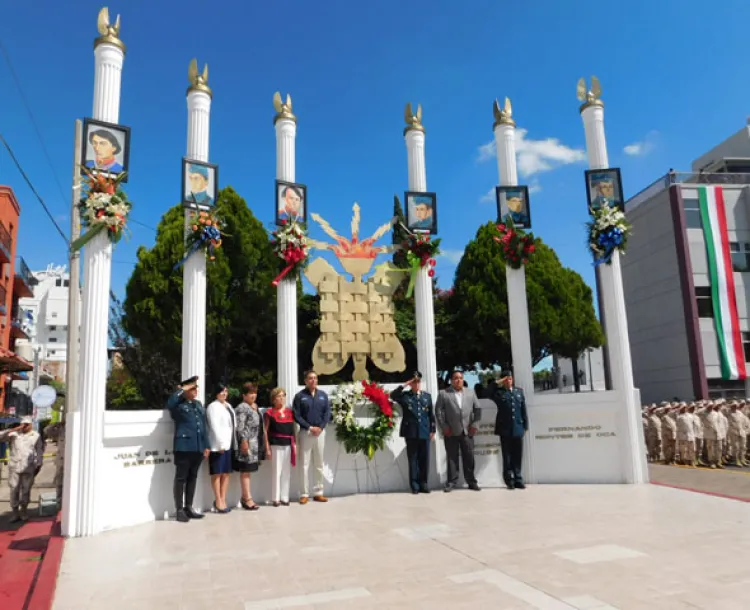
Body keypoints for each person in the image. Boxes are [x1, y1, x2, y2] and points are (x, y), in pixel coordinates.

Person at [166, 376, 210, 523]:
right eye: (191, 388)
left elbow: (203, 427)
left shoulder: (198, 404)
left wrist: (206, 445)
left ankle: (189, 507)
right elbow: (170, 403)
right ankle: (179, 509)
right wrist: (180, 391)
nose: (195, 391)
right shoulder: (178, 405)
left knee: (193, 477)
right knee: (181, 478)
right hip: (183, 447)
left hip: (197, 447)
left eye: (195, 388)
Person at [435, 370, 481, 492]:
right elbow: (438, 412)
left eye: (460, 378)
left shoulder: (471, 393)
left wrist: (475, 425)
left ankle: (471, 481)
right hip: (451, 432)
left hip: (468, 431)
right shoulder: (443, 393)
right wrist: (444, 427)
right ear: (451, 380)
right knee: (451, 458)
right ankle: (451, 482)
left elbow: (477, 409)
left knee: (469, 457)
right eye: (455, 378)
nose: (458, 380)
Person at [390, 372, 436, 494]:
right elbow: (393, 395)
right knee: (413, 460)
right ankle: (414, 485)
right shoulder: (405, 396)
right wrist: (405, 384)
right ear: (411, 383)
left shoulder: (427, 397)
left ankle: (424, 484)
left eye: (418, 381)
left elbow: (431, 415)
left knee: (424, 460)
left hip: (425, 432)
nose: (416, 384)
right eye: (414, 382)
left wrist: (433, 429)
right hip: (411, 432)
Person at [292, 370, 331, 504]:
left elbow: (327, 413)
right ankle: (304, 494)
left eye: (315, 378)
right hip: (306, 433)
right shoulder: (299, 396)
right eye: (310, 378)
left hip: (320, 432)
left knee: (319, 463)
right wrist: (309, 427)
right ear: (305, 381)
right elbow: (296, 415)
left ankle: (318, 492)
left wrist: (320, 427)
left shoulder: (323, 396)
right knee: (304, 464)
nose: (313, 380)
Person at [0, 416, 44, 522]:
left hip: (28, 467)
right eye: (23, 424)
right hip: (15, 467)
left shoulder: (35, 435)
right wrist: (14, 429)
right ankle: (15, 513)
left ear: (31, 425)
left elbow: (39, 450)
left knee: (26, 490)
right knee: (14, 490)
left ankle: (23, 511)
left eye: (27, 424)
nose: (25, 426)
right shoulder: (14, 435)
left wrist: (39, 464)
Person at [490, 371, 528, 490]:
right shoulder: (499, 393)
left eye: (510, 378)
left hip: (518, 427)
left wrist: (525, 425)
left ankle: (518, 478)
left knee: (517, 455)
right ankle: (509, 480)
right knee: (507, 456)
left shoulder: (519, 392)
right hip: (505, 428)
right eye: (506, 379)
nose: (508, 380)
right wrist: (498, 382)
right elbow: (486, 391)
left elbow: (523, 409)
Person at [233, 382, 265, 510]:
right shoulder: (242, 407)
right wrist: (244, 441)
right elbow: (240, 426)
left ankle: (245, 496)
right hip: (246, 443)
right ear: (244, 395)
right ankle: (247, 498)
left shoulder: (253, 407)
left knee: (249, 470)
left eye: (255, 393)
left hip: (254, 444)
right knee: (245, 471)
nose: (253, 395)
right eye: (250, 393)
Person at [206, 383, 237, 513]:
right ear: (216, 393)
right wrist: (219, 444)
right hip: (218, 445)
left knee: (226, 473)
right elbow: (214, 426)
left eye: (226, 391)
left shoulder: (228, 405)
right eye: (221, 391)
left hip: (228, 443)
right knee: (217, 473)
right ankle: (218, 500)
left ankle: (223, 498)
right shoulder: (213, 406)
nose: (224, 393)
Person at [264, 387, 296, 507]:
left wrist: (295, 445)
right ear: (273, 399)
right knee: (276, 471)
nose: (281, 398)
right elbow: (265, 431)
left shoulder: (289, 412)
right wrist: (267, 447)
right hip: (276, 444)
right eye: (278, 396)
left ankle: (285, 496)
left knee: (286, 472)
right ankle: (275, 498)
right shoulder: (270, 413)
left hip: (288, 444)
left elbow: (293, 430)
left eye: (283, 396)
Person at [44, 417, 66, 506]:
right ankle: (59, 505)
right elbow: (46, 430)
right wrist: (56, 424)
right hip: (61, 462)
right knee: (59, 484)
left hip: (72, 463)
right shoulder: (60, 430)